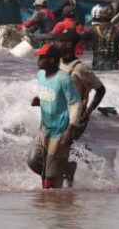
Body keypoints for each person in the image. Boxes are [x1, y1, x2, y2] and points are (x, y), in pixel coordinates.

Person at [26, 44, 81, 189]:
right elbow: (50, 93)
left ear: (51, 60)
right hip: (45, 129)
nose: (38, 60)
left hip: (60, 132)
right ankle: (65, 170)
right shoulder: (40, 75)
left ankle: (50, 200)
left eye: (42, 58)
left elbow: (75, 103)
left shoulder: (64, 79)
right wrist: (40, 99)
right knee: (33, 161)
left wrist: (71, 128)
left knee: (51, 183)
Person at [57, 29, 106, 144]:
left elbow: (101, 89)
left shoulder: (80, 68)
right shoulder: (58, 63)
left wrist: (88, 111)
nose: (56, 44)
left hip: (75, 120)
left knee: (62, 150)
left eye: (59, 42)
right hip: (60, 116)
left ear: (68, 45)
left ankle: (87, 161)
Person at [80, 7, 119, 71]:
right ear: (111, 17)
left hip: (98, 65)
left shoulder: (92, 30)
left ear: (100, 16)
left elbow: (77, 38)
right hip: (113, 66)